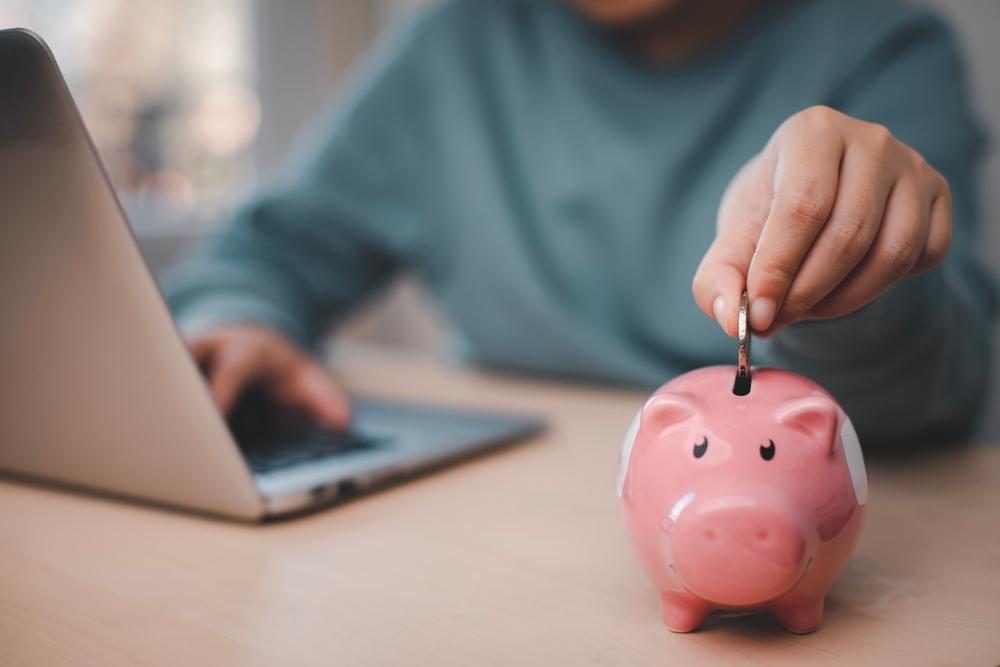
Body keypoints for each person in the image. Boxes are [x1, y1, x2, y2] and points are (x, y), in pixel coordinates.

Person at [166, 0, 996, 448]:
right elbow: (269, 250)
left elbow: (939, 391)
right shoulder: (454, 48)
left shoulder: (888, 49)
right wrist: (236, 318)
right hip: (493, 538)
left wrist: (852, 288)